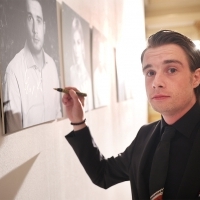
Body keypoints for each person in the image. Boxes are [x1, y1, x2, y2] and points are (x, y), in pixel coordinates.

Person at [62, 30, 200, 199]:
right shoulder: (145, 135)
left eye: (171, 70)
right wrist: (78, 122)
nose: (156, 82)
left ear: (196, 78)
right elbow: (103, 174)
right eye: (150, 73)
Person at [3, 0, 62, 133]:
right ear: (24, 23)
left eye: (39, 20)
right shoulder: (13, 72)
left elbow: (57, 115)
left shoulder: (52, 66)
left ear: (45, 27)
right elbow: (14, 139)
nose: (35, 29)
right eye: (30, 18)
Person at [69, 17, 93, 111]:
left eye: (78, 43)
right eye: (74, 43)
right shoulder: (71, 70)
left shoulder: (87, 79)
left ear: (82, 44)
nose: (75, 48)